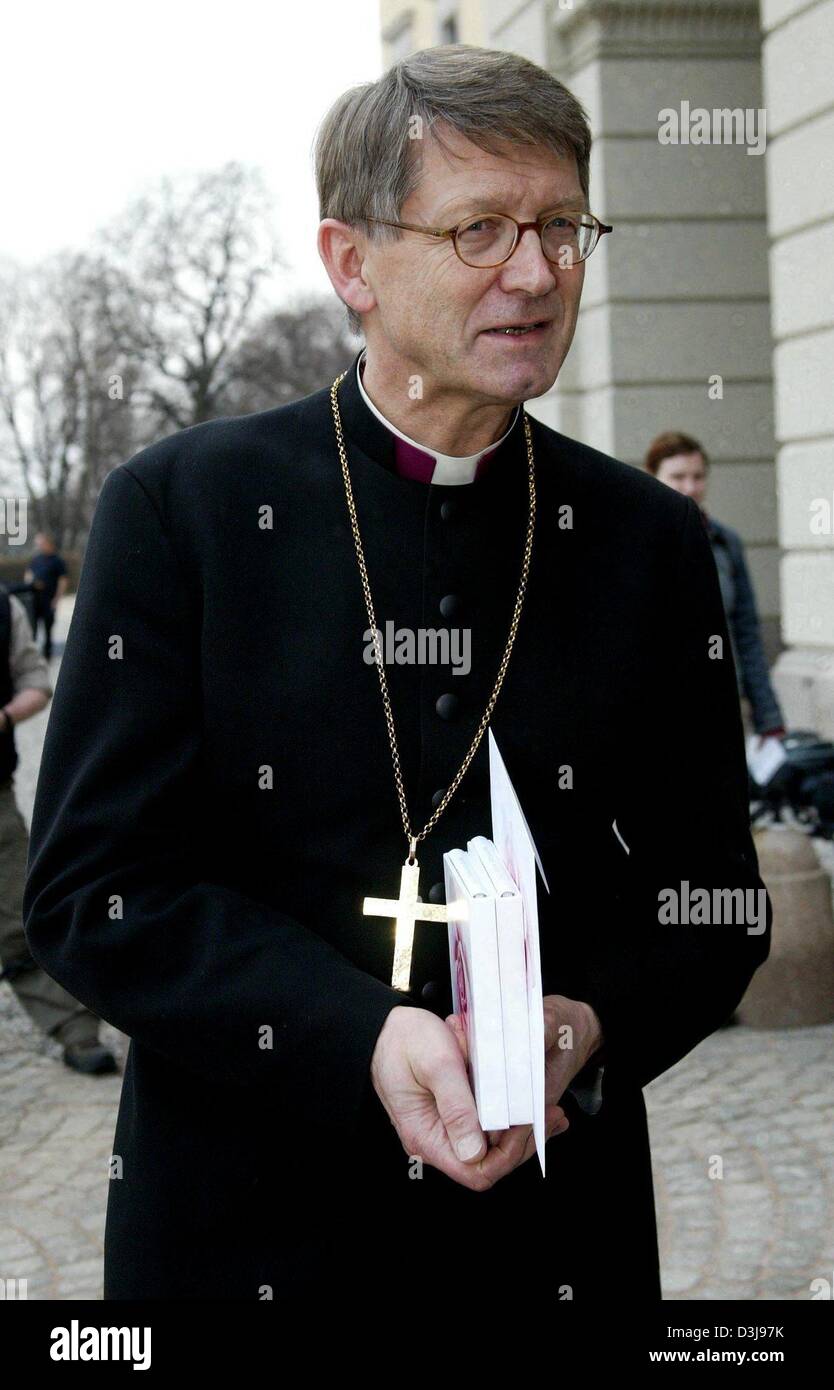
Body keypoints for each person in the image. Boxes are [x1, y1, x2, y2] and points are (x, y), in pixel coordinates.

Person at [22, 44, 770, 1306]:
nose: (535, 274)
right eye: (481, 229)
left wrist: (580, 1033)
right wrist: (357, 1030)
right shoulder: (183, 513)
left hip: (546, 1231)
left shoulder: (649, 541)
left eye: (559, 228)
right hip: (244, 1221)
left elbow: (712, 901)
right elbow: (96, 892)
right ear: (350, 263)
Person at [0, 586, 116, 1074]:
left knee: (17, 915)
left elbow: (35, 681)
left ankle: (74, 1027)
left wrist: (5, 714)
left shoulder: (4, 608)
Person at [645, 431, 786, 741]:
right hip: (654, 710)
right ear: (652, 477)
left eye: (698, 477)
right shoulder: (635, 543)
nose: (690, 487)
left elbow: (747, 634)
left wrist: (770, 720)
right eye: (678, 476)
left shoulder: (726, 543)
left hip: (720, 704)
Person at [24, 532, 68, 660]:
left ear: (49, 544)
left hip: (49, 599)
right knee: (32, 629)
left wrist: (57, 599)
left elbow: (63, 580)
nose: (40, 546)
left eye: (42, 543)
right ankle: (32, 656)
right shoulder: (36, 559)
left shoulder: (57, 561)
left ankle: (47, 654)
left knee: (48, 629)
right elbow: (28, 573)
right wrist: (30, 584)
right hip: (35, 600)